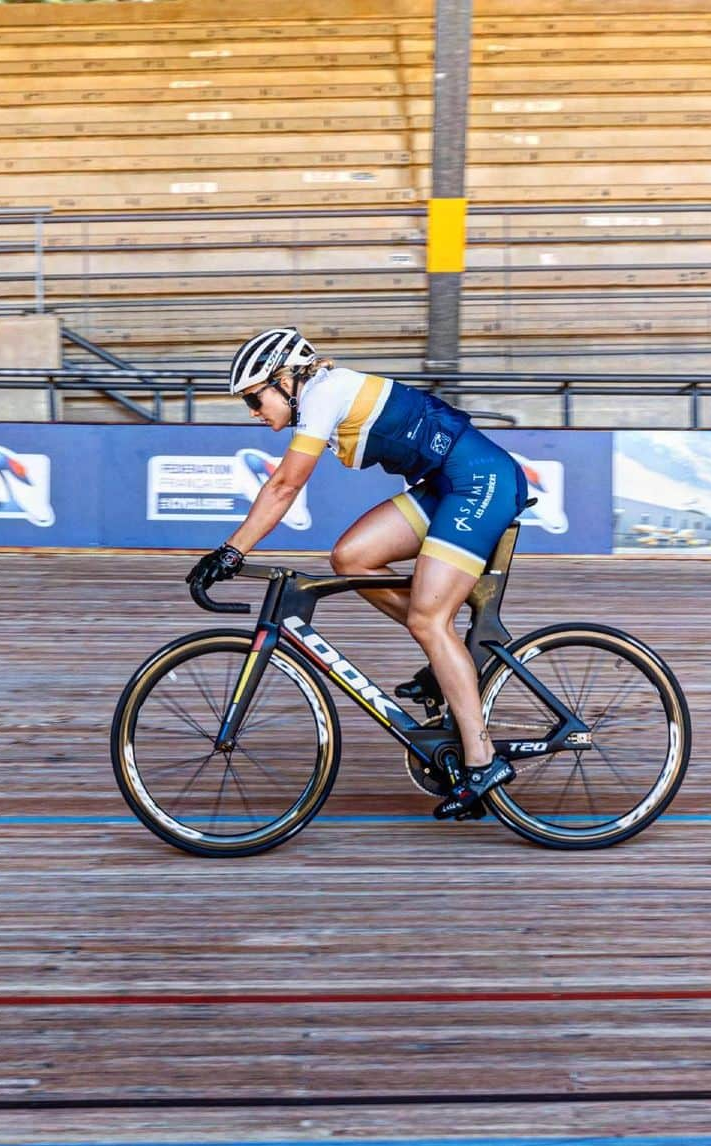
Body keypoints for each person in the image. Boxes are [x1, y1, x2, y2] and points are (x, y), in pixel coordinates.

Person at [186, 326, 529, 821]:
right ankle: (449, 663)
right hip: (446, 482)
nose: (256, 415)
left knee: (429, 621)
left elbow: (285, 485)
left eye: (255, 400)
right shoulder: (321, 395)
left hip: (479, 480)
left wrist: (231, 552)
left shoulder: (323, 394)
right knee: (350, 557)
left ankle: (481, 762)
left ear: (285, 379)